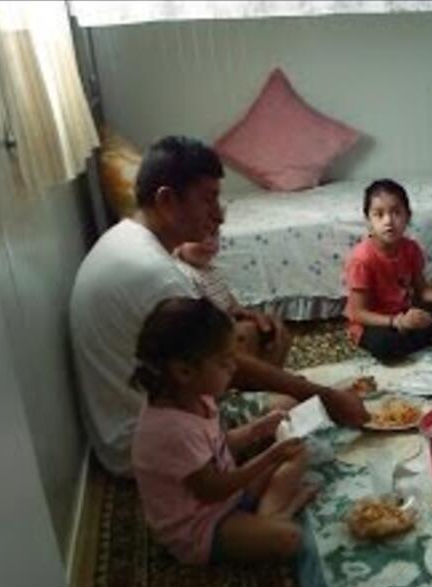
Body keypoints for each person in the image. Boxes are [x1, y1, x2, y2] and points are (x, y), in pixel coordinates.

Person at [70, 135, 367, 477]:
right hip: (143, 444)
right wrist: (323, 395)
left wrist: (237, 317)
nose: (219, 216)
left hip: (140, 414)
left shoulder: (126, 239)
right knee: (287, 407)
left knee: (254, 333)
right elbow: (231, 364)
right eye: (208, 199)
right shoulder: (155, 274)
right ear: (167, 200)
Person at [130, 297, 313, 564]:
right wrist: (270, 456)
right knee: (291, 539)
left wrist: (258, 429)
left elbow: (218, 445)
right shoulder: (172, 430)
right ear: (184, 372)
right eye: (224, 362)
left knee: (297, 451)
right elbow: (213, 490)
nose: (234, 367)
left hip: (230, 495)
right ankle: (276, 517)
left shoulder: (198, 397)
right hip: (201, 525)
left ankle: (267, 518)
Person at [343, 179, 432, 363]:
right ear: (368, 221)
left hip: (409, 314)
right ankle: (431, 336)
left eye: (396, 212)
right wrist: (397, 321)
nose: (388, 221)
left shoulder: (411, 248)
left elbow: (423, 291)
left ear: (408, 216)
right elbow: (358, 313)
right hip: (378, 322)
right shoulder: (361, 260)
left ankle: (424, 335)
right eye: (379, 214)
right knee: (384, 345)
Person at [173, 233, 292, 372]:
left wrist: (243, 311)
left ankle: (273, 374)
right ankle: (252, 377)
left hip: (227, 323)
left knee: (276, 329)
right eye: (197, 238)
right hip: (211, 334)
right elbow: (199, 318)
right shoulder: (184, 274)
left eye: (214, 236)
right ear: (177, 245)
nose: (208, 242)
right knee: (247, 335)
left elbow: (228, 300)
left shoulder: (210, 269)